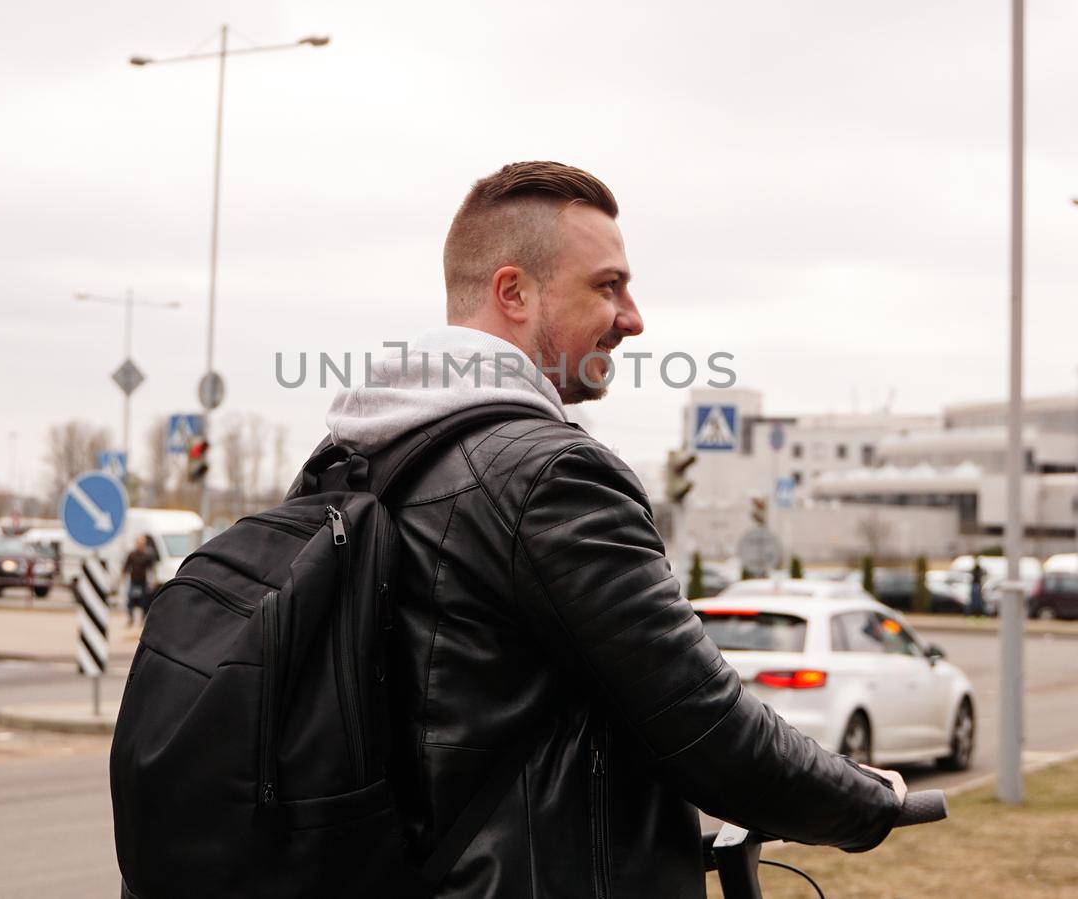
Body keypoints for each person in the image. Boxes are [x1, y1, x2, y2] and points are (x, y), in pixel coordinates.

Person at [322, 161, 905, 898]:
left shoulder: (351, 459)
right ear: (514, 292)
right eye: (608, 286)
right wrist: (867, 800)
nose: (633, 317)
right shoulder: (550, 477)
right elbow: (704, 722)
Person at [121, 535, 155, 626]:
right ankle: (131, 618)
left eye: (142, 543)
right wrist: (122, 578)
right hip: (133, 581)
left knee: (144, 601)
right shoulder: (132, 554)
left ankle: (142, 619)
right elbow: (126, 567)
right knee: (131, 601)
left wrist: (152, 581)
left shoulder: (147, 555)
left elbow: (151, 569)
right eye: (138, 543)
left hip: (143, 582)